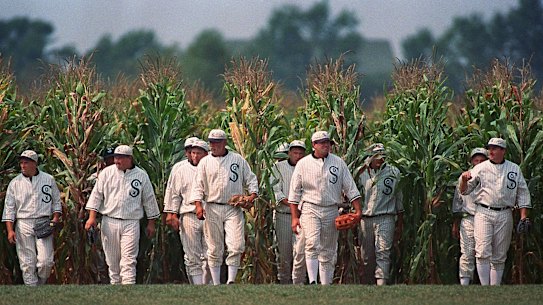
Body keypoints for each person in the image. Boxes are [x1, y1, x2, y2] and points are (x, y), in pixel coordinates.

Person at [289, 131, 362, 285]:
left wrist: (358, 211)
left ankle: (325, 284)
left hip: (331, 208)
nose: (325, 145)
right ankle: (313, 280)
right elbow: (294, 193)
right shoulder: (303, 164)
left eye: (327, 142)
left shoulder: (338, 163)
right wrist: (295, 217)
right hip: (310, 207)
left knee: (328, 250)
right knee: (312, 243)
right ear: (314, 145)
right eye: (321, 142)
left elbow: (350, 188)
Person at [189, 129, 258, 285]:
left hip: (233, 207)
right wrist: (198, 206)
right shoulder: (205, 162)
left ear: (224, 143)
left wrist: (251, 196)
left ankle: (231, 280)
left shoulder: (237, 160)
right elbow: (197, 186)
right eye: (211, 142)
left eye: (217, 142)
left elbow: (251, 179)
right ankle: (216, 283)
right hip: (212, 207)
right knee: (214, 247)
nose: (213, 145)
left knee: (236, 244)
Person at [84, 145, 160, 285]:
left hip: (131, 222)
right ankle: (117, 293)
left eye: (120, 158)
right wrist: (92, 217)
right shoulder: (107, 173)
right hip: (110, 221)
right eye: (115, 157)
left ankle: (128, 293)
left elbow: (149, 199)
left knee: (129, 262)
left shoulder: (141, 175)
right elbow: (96, 196)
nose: (116, 160)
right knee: (113, 264)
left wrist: (151, 223)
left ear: (129, 158)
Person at [460, 138, 531, 285]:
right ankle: (485, 287)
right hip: (483, 211)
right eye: (490, 148)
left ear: (503, 151)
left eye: (495, 148)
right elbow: (465, 191)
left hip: (505, 212)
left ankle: (495, 287)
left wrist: (523, 216)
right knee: (482, 251)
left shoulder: (514, 169)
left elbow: (522, 193)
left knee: (499, 254)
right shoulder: (480, 168)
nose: (491, 151)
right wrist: (464, 180)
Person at [2, 150, 62, 286]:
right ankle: (31, 291)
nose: (23, 165)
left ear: (34, 164)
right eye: (21, 163)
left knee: (46, 261)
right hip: (23, 222)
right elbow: (9, 208)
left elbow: (56, 201)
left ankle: (40, 285)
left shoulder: (48, 179)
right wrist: (10, 230)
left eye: (26, 163)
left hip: (43, 221)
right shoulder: (15, 183)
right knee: (27, 262)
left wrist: (55, 219)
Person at [164, 139, 210, 285]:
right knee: (192, 255)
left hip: (210, 213)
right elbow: (173, 193)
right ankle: (197, 286)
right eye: (190, 151)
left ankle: (208, 286)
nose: (192, 154)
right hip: (189, 213)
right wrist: (171, 214)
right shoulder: (180, 169)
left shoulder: (212, 166)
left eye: (196, 151)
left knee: (210, 254)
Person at [358, 143, 403, 286]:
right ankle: (368, 283)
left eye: (383, 156)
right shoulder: (361, 173)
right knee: (366, 256)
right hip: (365, 219)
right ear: (370, 157)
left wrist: (400, 222)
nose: (380, 160)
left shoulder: (393, 172)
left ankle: (381, 284)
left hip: (386, 216)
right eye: (377, 156)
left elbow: (399, 197)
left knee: (383, 252)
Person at [271, 139, 307, 284]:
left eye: (300, 153)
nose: (297, 156)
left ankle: (300, 282)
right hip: (283, 215)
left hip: (304, 216)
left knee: (301, 251)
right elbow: (276, 191)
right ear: (289, 153)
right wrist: (293, 205)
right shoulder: (278, 167)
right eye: (294, 153)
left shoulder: (308, 167)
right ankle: (284, 282)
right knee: (284, 252)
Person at [452, 147, 488, 285]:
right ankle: (464, 283)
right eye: (476, 160)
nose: (478, 162)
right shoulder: (464, 177)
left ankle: (487, 284)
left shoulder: (491, 176)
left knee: (484, 252)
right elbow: (458, 201)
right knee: (466, 251)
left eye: (482, 160)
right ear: (472, 161)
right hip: (468, 218)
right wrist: (456, 222)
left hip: (486, 217)